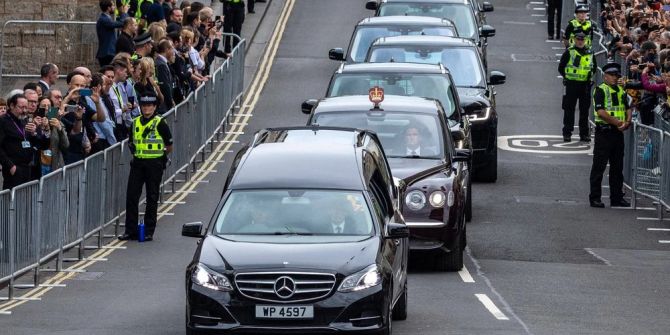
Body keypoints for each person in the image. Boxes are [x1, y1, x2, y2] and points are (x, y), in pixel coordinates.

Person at [119, 91, 173, 241]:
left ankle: (149, 231)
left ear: (155, 106)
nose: (146, 108)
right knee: (132, 196)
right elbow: (131, 142)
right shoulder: (135, 122)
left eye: (149, 105)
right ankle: (130, 231)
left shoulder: (160, 122)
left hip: (154, 163)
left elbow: (169, 145)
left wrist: (160, 156)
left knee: (152, 197)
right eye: (144, 105)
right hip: (138, 163)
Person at [589, 63, 632, 208]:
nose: (615, 78)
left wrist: (627, 122)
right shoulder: (600, 90)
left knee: (617, 167)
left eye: (616, 76)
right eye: (612, 75)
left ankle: (616, 197)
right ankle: (595, 197)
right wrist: (618, 123)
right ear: (605, 76)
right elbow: (601, 112)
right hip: (604, 132)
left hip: (617, 133)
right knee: (599, 166)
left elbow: (628, 108)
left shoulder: (621, 91)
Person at [0, 94, 50, 190]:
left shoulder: (25, 121)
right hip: (14, 170)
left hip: (29, 169)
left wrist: (34, 133)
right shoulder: (3, 121)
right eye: (21, 107)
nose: (24, 111)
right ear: (11, 106)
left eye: (25, 108)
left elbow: (43, 145)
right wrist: (10, 166)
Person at [558, 32, 596, 142]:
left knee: (584, 111)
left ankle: (584, 134)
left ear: (585, 40)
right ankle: (567, 133)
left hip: (585, 86)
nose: (580, 42)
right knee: (569, 109)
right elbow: (561, 67)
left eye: (582, 40)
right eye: (578, 39)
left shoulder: (590, 53)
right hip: (571, 84)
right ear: (575, 40)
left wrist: (588, 76)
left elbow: (594, 67)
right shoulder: (569, 52)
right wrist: (568, 77)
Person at [96, 0, 130, 66]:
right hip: (106, 53)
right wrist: (124, 12)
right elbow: (121, 23)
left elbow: (120, 21)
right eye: (113, 6)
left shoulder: (107, 18)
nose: (114, 7)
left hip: (109, 52)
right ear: (108, 8)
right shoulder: (103, 19)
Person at [155, 39, 175, 113]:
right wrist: (170, 102)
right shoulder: (161, 64)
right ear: (167, 49)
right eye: (171, 49)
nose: (173, 52)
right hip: (164, 105)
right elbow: (165, 85)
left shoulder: (163, 62)